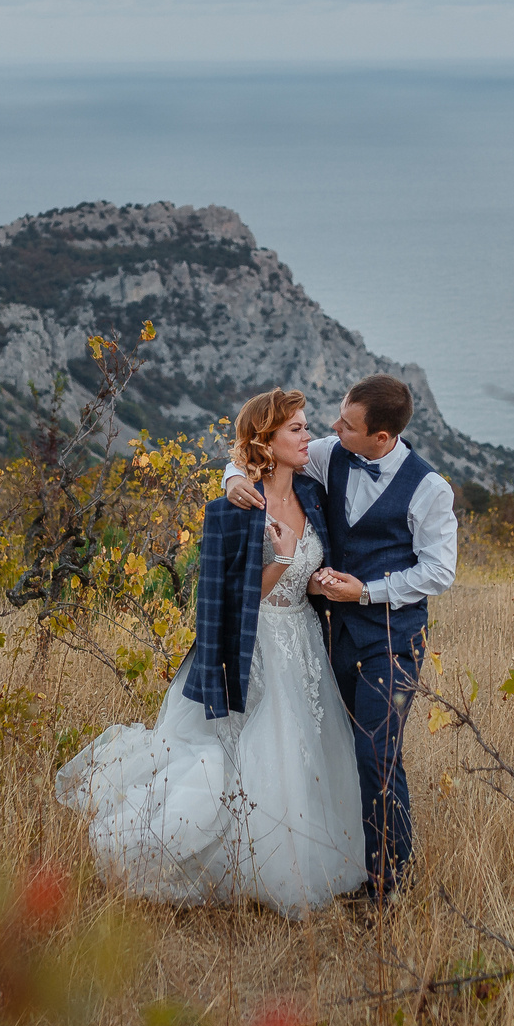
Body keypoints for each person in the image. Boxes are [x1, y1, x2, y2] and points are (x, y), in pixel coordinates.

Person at [55, 389, 367, 918]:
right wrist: (284, 557)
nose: (307, 436)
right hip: (255, 644)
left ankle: (317, 861)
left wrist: (319, 580)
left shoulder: (313, 494)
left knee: (311, 750)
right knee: (264, 751)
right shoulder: (232, 509)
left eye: (306, 426)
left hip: (307, 642)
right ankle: (251, 867)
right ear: (266, 441)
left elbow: (308, 570)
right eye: (295, 429)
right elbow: (234, 597)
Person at [222, 374, 457, 903]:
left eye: (346, 424)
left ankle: (391, 883)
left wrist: (367, 591)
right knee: (339, 753)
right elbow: (260, 446)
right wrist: (230, 478)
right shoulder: (333, 455)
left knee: (377, 755)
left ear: (380, 437)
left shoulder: (429, 488)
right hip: (332, 636)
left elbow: (440, 572)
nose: (332, 428)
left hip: (393, 639)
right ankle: (350, 864)